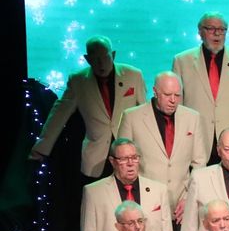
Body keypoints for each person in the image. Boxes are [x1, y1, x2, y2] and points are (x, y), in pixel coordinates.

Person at [31, 35, 146, 179]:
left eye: (105, 57)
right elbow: (59, 115)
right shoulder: (78, 81)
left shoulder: (133, 75)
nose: (101, 63)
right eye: (95, 59)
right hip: (95, 158)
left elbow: (144, 113)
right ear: (87, 59)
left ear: (113, 54)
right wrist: (41, 149)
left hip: (128, 154)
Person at [117, 71, 208, 221]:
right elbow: (123, 164)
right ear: (155, 92)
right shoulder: (132, 117)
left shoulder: (193, 118)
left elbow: (200, 163)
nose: (173, 100)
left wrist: (189, 198)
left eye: (177, 95)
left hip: (182, 206)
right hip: (144, 205)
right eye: (167, 95)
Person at [80, 138, 172, 231]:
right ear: (112, 161)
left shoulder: (158, 190)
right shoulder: (94, 192)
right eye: (123, 159)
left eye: (134, 158)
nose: (130, 163)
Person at [173, 12, 229, 157]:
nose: (217, 34)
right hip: (196, 140)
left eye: (221, 30)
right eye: (211, 29)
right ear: (200, 32)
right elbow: (177, 108)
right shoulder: (182, 61)